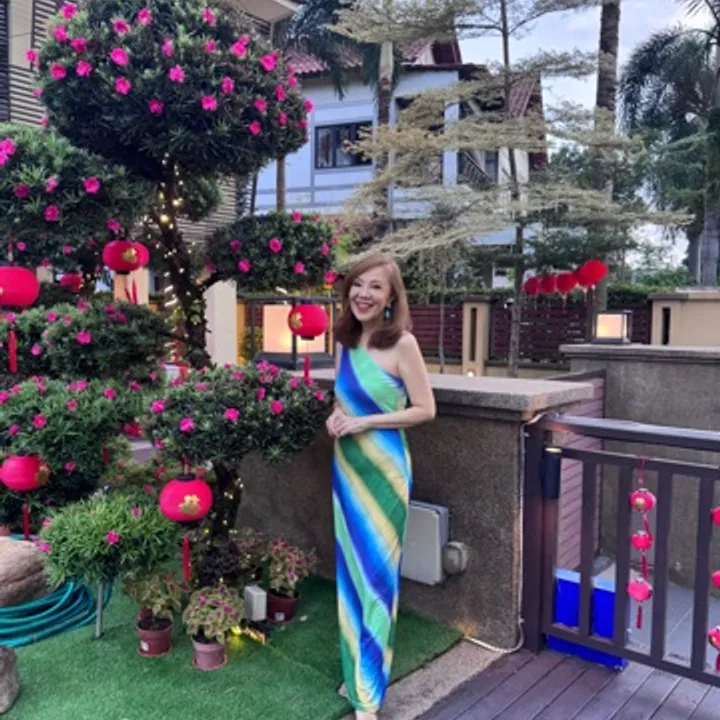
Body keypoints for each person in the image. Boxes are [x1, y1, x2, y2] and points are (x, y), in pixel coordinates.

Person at [327, 253, 436, 719]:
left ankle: (367, 697)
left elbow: (425, 409)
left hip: (385, 474)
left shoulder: (403, 344)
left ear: (391, 297)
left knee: (376, 578)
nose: (363, 294)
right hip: (346, 471)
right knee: (350, 574)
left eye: (375, 287)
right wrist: (337, 417)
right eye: (358, 284)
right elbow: (343, 400)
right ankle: (355, 671)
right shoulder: (345, 341)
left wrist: (365, 422)